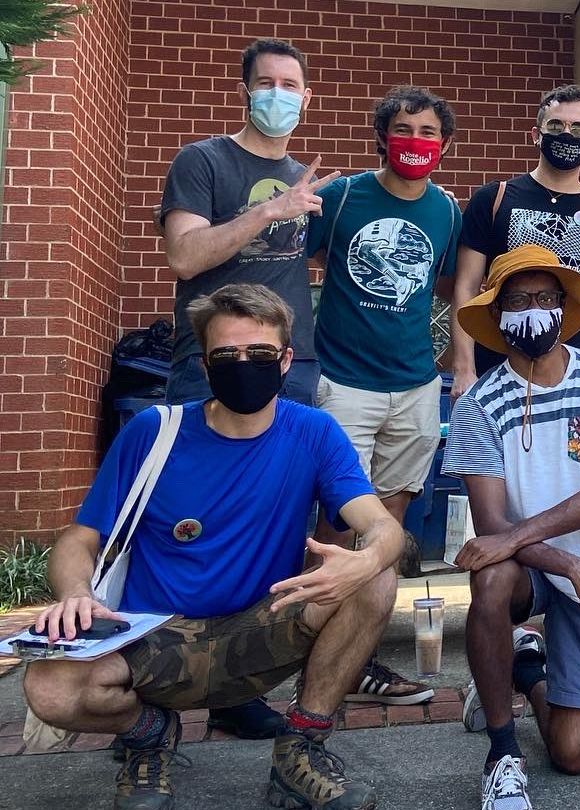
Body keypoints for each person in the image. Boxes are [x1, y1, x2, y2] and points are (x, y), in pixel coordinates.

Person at [23, 283, 402, 810]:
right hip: (155, 637)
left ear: (286, 360)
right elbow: (79, 538)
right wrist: (75, 595)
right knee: (49, 689)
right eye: (227, 355)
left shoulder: (314, 432)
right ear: (204, 365)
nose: (244, 366)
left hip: (259, 626)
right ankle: (148, 734)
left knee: (376, 578)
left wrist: (364, 560)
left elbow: (383, 526)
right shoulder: (155, 432)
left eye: (261, 354)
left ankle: (300, 753)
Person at [156, 39, 339, 735]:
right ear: (244, 91)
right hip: (208, 366)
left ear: (308, 97)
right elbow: (184, 255)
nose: (278, 94)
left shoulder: (306, 179)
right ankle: (154, 679)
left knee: (274, 522)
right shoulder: (203, 161)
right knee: (187, 516)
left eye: (291, 84)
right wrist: (269, 210)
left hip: (289, 367)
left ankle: (236, 687)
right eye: (266, 82)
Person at [441, 245, 580, 809]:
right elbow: (491, 524)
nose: (533, 311)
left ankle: (526, 667)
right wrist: (565, 562)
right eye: (517, 301)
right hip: (535, 570)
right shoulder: (478, 404)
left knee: (571, 754)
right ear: (496, 314)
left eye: (544, 298)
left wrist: (540, 548)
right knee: (491, 578)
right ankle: (502, 752)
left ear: (563, 306)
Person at [304, 84, 464, 706]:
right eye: (403, 129)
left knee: (388, 531)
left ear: (444, 145)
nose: (415, 142)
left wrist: (453, 355)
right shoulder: (343, 197)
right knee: (336, 526)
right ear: (381, 136)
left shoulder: (446, 211)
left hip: (416, 388)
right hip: (344, 384)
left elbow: (449, 283)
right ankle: (311, 656)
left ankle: (359, 659)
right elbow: (292, 261)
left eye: (428, 133)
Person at [452, 84, 580, 397]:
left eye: (578, 128)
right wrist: (464, 368)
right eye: (556, 125)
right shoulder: (493, 199)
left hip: (577, 382)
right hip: (498, 374)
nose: (567, 134)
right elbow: (466, 287)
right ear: (536, 135)